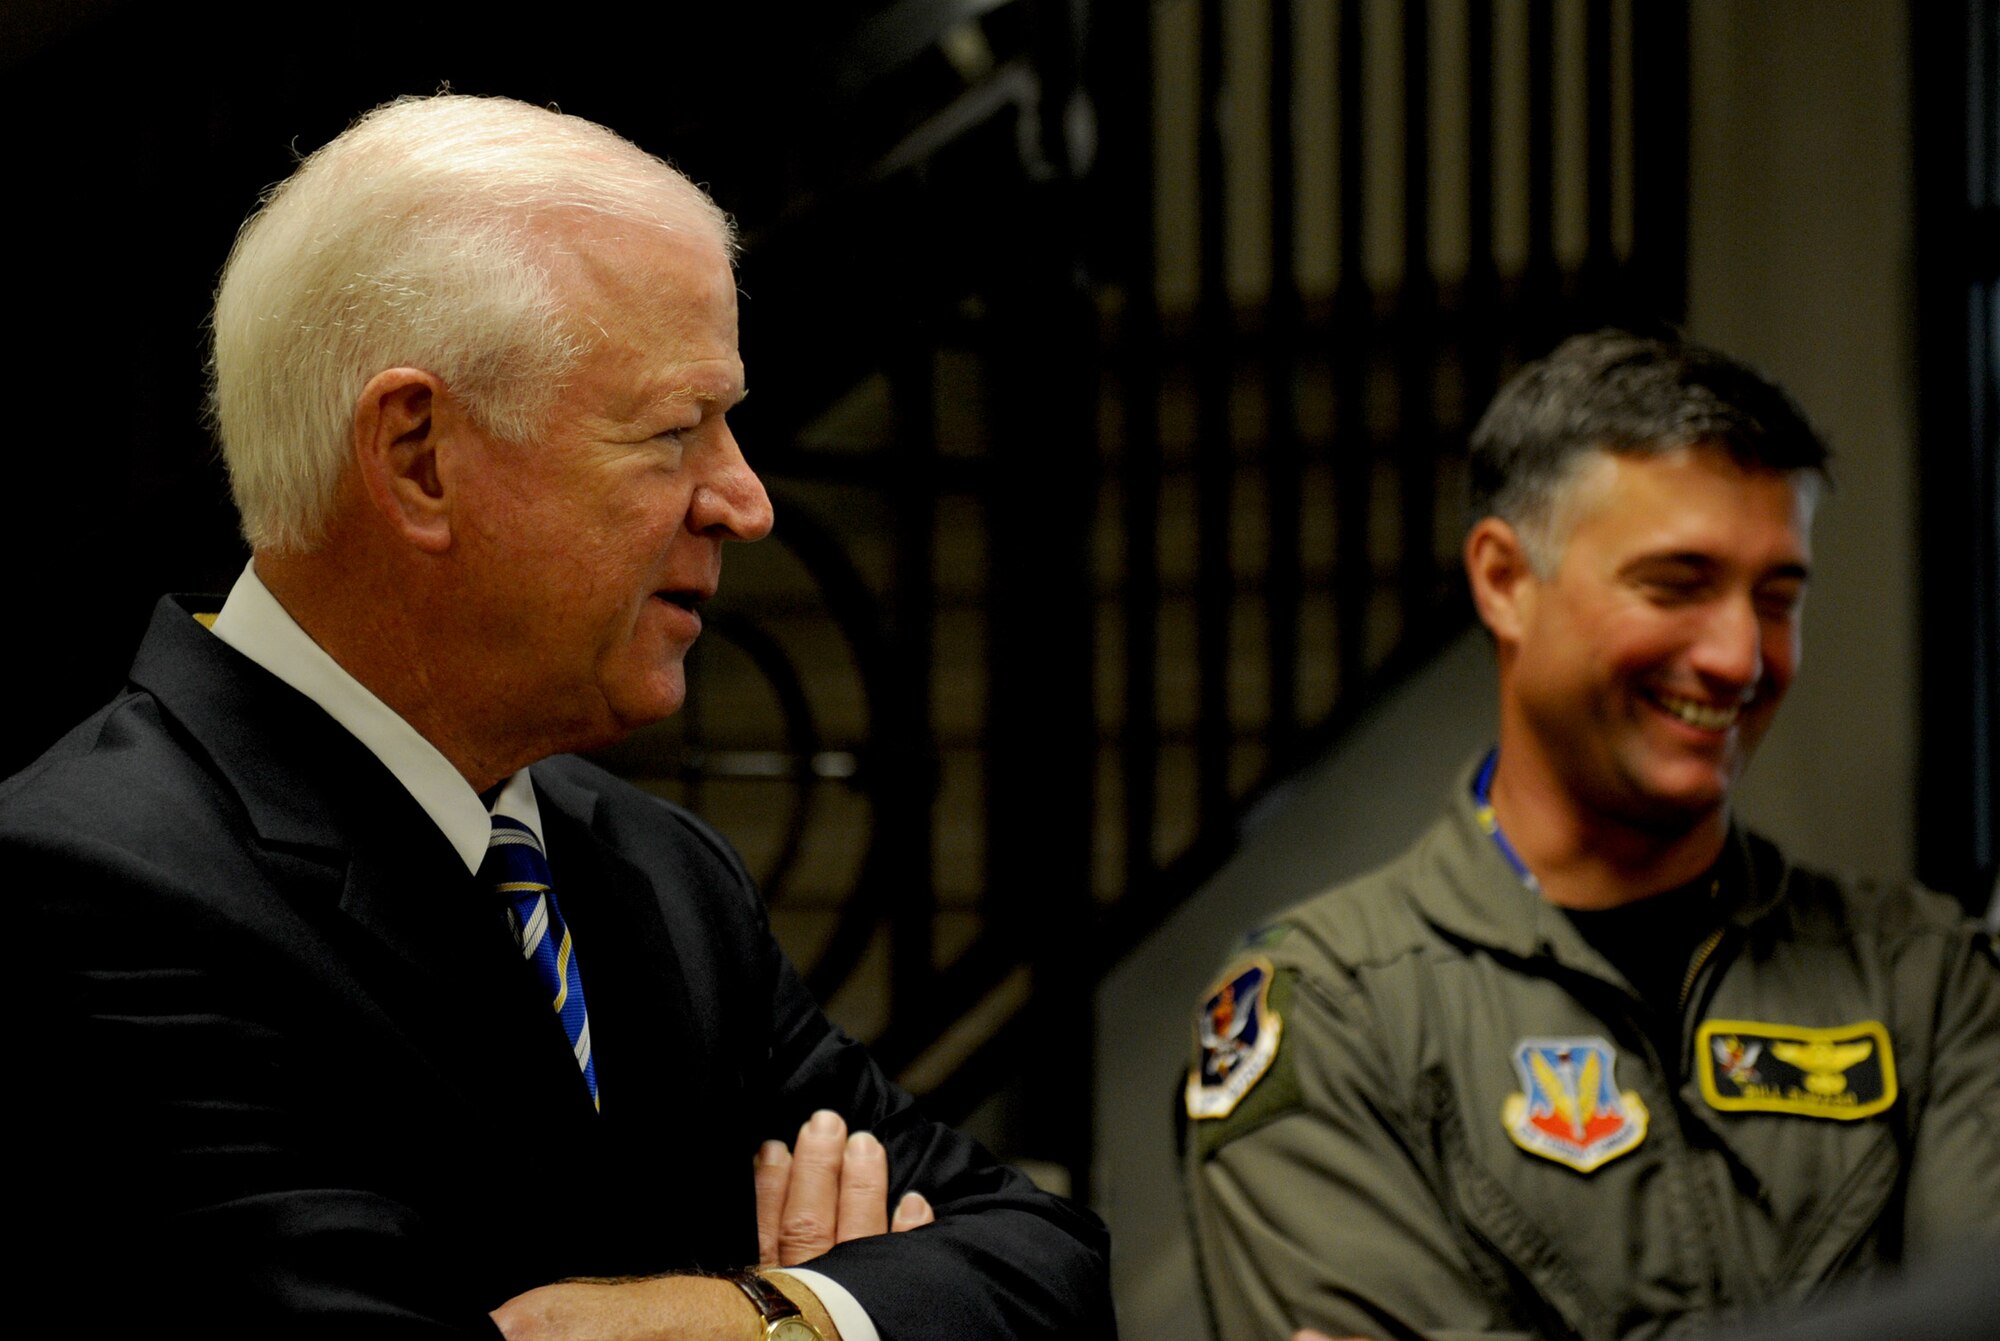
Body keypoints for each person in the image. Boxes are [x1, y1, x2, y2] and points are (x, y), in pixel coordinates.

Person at [8, 94, 1111, 1341]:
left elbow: (1049, 1261)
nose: (745, 500)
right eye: (672, 431)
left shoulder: (650, 865)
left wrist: (766, 1319)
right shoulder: (86, 887)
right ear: (417, 456)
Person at [1180, 331, 1999, 1340]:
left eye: (1775, 598)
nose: (1738, 655)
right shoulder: (1336, 1008)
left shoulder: (1922, 976)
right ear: (1501, 581)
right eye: (1676, 585)